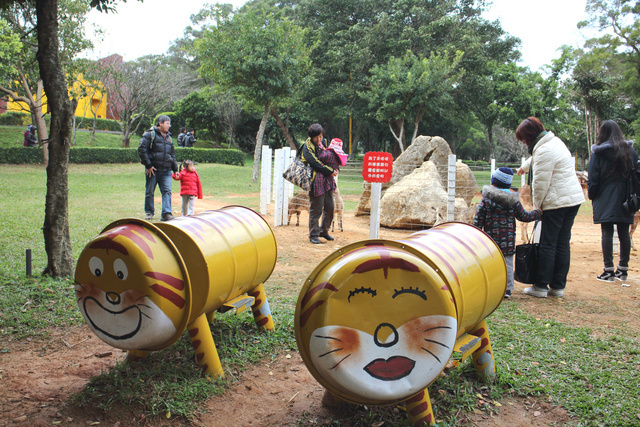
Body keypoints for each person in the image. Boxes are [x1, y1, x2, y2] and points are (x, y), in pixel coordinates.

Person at [516, 117, 585, 298]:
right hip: (572, 199)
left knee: (548, 244)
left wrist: (537, 209)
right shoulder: (553, 141)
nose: (523, 143)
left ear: (529, 136)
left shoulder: (544, 150)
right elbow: (537, 160)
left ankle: (540, 286)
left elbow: (540, 184)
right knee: (562, 243)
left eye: (523, 139)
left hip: (557, 202)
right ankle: (557, 286)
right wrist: (524, 167)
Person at [473, 167, 542, 298]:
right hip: (508, 241)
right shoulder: (513, 201)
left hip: (490, 242)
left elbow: (478, 221)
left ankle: (492, 287)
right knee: (507, 265)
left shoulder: (486, 199)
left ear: (493, 181)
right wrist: (537, 213)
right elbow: (524, 217)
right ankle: (507, 290)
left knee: (491, 264)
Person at [588, 120, 639, 282]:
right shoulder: (630, 151)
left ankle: (608, 270)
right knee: (624, 232)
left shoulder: (598, 153)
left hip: (604, 195)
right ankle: (623, 270)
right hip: (626, 196)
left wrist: (592, 194)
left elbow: (593, 178)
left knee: (607, 231)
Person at [302, 124, 339, 244]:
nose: (319, 140)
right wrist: (330, 170)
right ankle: (313, 235)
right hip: (315, 180)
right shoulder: (307, 147)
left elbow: (331, 158)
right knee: (316, 209)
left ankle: (324, 231)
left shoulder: (325, 144)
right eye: (316, 138)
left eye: (321, 136)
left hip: (328, 180)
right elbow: (314, 163)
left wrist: (335, 169)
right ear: (311, 137)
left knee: (330, 207)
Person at [138, 115, 178, 222]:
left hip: (166, 170)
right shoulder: (149, 134)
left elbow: (172, 154)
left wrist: (175, 169)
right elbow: (142, 150)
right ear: (160, 123)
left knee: (167, 191)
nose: (169, 126)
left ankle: (166, 213)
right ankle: (149, 212)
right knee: (150, 191)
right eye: (167, 123)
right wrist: (148, 165)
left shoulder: (169, 137)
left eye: (169, 124)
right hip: (153, 169)